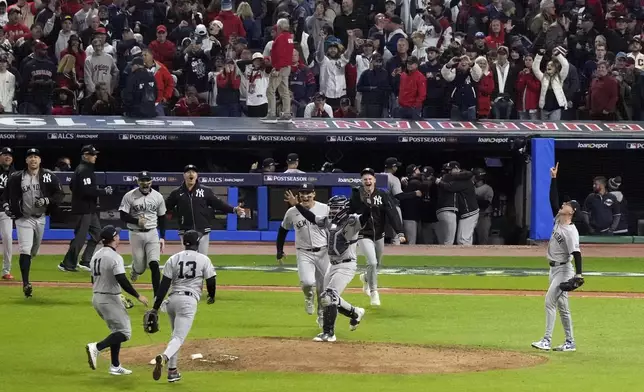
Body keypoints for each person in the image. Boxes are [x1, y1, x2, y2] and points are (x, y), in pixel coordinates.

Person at [284, 191, 366, 342]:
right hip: (333, 264)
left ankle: (329, 333)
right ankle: (355, 312)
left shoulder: (353, 221)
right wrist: (296, 205)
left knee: (329, 297)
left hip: (346, 265)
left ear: (344, 208)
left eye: (336, 208)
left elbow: (365, 216)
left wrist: (364, 200)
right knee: (325, 297)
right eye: (332, 208)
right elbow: (311, 217)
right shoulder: (329, 222)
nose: (333, 211)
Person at [151, 230, 217, 383]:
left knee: (175, 335)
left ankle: (172, 371)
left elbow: (163, 286)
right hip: (188, 302)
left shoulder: (173, 259)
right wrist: (211, 296)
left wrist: (155, 307)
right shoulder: (203, 259)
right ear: (198, 242)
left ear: (184, 243)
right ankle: (164, 357)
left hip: (172, 300)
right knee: (179, 337)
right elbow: (211, 280)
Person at [532, 163, 583, 352]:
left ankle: (546, 340)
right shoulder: (558, 219)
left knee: (549, 301)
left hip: (564, 270)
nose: (564, 204)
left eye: (567, 204)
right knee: (563, 307)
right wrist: (554, 179)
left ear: (572, 212)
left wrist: (578, 274)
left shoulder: (571, 231)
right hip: (553, 269)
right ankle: (570, 343)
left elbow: (576, 253)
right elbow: (553, 201)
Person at [85, 225, 149, 376]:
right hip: (108, 298)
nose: (119, 237)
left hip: (97, 297)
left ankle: (115, 366)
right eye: (117, 235)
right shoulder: (114, 257)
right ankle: (97, 347)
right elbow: (122, 279)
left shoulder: (97, 255)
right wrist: (138, 296)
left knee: (116, 330)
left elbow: (93, 279)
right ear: (114, 238)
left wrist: (118, 295)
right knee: (125, 332)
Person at [3, 148, 63, 298]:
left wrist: (47, 200)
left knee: (33, 251)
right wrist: (6, 206)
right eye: (30, 157)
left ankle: (28, 263)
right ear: (26, 161)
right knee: (25, 249)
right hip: (24, 218)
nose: (33, 160)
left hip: (40, 218)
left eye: (36, 157)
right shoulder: (17, 177)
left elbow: (59, 194)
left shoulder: (48, 176)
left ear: (40, 160)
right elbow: (5, 194)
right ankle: (26, 284)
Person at [277, 184, 329, 328]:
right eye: (302, 193)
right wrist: (279, 250)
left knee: (323, 289)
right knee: (307, 282)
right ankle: (308, 296)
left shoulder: (324, 209)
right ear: (299, 195)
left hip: (323, 252)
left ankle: (322, 316)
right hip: (304, 252)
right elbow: (283, 229)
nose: (305, 196)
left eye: (308, 193)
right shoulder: (292, 212)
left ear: (314, 194)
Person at [354, 167, 405, 306]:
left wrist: (399, 231)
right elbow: (352, 213)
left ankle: (365, 277)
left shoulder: (382, 195)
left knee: (376, 264)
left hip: (379, 235)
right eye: (365, 179)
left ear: (374, 180)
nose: (368, 181)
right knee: (372, 262)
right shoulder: (357, 195)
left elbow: (392, 213)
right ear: (362, 181)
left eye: (370, 178)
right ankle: (374, 292)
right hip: (363, 234)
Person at [165, 165, 243, 256]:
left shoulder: (206, 191)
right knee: (187, 258)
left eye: (193, 172)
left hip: (202, 230)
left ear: (197, 175)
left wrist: (233, 209)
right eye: (188, 172)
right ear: (184, 175)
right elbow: (165, 207)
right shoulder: (177, 193)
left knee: (202, 258)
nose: (191, 174)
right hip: (185, 231)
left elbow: (218, 204)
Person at [60, 145, 113, 272]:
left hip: (89, 209)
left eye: (95, 154)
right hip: (83, 209)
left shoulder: (85, 169)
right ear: (85, 155)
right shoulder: (83, 170)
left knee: (97, 234)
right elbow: (86, 190)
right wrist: (103, 191)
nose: (95, 156)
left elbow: (73, 186)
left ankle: (86, 260)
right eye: (92, 154)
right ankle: (67, 263)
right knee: (80, 237)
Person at [118, 171, 166, 297]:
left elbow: (162, 217)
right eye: (142, 180)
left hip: (152, 233)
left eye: (147, 180)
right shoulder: (129, 196)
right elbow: (122, 215)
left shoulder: (158, 196)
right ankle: (135, 269)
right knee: (140, 268)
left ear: (151, 182)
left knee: (154, 263)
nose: (145, 183)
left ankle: (157, 296)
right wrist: (136, 221)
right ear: (138, 182)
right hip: (135, 234)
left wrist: (162, 237)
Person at [0, 146, 14, 280]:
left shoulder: (15, 174)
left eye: (9, 155)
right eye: (5, 154)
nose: (7, 157)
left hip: (5, 211)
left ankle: (6, 270)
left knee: (8, 239)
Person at [473, 168, 494, 245]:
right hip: (472, 217)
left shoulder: (488, 188)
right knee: (470, 241)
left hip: (483, 217)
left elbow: (485, 204)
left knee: (483, 242)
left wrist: (473, 199)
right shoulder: (471, 187)